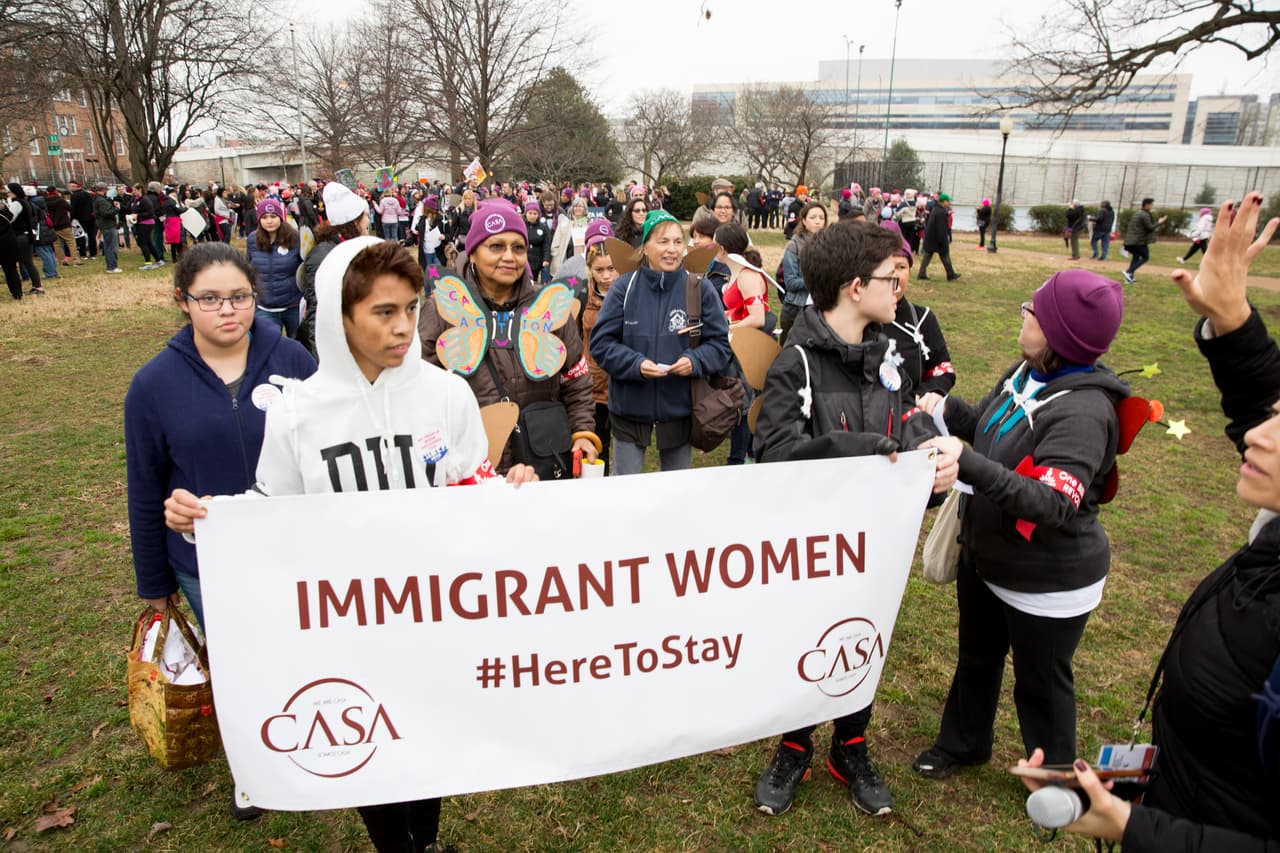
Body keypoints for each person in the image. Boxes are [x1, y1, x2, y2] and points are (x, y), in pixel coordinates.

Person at [166, 237, 533, 852]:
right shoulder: (298, 411)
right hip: (347, 624)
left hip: (432, 610)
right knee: (366, 741)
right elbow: (273, 501)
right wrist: (209, 515)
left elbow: (469, 482)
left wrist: (509, 485)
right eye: (383, 312)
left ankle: (427, 839)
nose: (403, 327)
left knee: (427, 738)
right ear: (340, 316)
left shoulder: (446, 393)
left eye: (411, 308)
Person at [1016, 192, 1280, 851]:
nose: (1256, 436)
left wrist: (1133, 826)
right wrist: (1115, 779)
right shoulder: (1270, 547)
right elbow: (1224, 762)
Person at [751, 220, 958, 819]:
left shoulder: (896, 348)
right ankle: (794, 746)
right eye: (888, 277)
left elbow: (911, 424)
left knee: (863, 638)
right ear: (851, 286)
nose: (900, 285)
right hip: (813, 543)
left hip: (879, 539)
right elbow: (774, 456)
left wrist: (933, 468)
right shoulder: (798, 362)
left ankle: (852, 745)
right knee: (807, 638)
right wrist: (866, 451)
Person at [912, 268, 1128, 779]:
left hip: (1048, 579)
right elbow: (985, 424)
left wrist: (966, 464)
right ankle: (963, 744)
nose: (1023, 314)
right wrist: (945, 409)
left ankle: (1054, 778)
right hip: (988, 556)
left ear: (1059, 332)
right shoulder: (1026, 370)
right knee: (977, 657)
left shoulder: (1085, 412)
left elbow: (1053, 502)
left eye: (1032, 310)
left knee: (1042, 683)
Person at [418, 201, 598, 474]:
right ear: (474, 253)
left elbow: (577, 380)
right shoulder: (442, 310)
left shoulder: (549, 308)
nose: (509, 257)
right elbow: (422, 390)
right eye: (496, 247)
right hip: (470, 468)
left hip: (541, 462)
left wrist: (583, 431)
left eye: (518, 248)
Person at [589, 210, 732, 475]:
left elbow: (721, 346)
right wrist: (636, 364)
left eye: (678, 242)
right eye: (663, 241)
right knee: (626, 489)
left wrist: (695, 360)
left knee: (676, 496)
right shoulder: (624, 288)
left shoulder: (699, 288)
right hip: (628, 408)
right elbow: (601, 344)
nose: (672, 250)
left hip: (680, 409)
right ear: (645, 246)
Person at [714, 221, 772, 466]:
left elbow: (757, 318)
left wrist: (726, 328)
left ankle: (739, 458)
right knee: (741, 400)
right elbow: (739, 309)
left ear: (725, 249)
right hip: (737, 344)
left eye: (715, 244)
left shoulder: (747, 275)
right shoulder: (735, 270)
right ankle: (746, 452)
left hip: (748, 347)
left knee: (744, 403)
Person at [880, 222, 956, 397]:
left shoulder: (922, 319)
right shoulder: (856, 321)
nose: (894, 275)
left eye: (901, 267)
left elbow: (943, 371)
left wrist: (923, 396)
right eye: (887, 267)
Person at [296, 181, 369, 356]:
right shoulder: (323, 255)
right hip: (334, 344)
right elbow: (316, 312)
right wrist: (321, 361)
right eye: (365, 215)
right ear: (354, 222)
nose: (369, 220)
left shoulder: (354, 246)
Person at [579, 238, 620, 472]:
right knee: (598, 447)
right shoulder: (582, 296)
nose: (606, 276)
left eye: (611, 268)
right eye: (599, 270)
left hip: (624, 381)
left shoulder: (629, 292)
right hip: (595, 386)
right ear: (590, 270)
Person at [245, 197, 303, 336]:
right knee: (267, 347)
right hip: (265, 307)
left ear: (280, 217)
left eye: (273, 216)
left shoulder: (295, 238)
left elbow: (305, 270)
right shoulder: (252, 240)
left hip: (293, 305)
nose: (269, 221)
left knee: (298, 347)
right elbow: (248, 268)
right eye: (264, 217)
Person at [779, 201, 828, 346]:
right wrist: (817, 280)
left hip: (823, 308)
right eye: (813, 217)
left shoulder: (830, 244)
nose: (818, 221)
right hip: (796, 307)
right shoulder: (794, 245)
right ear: (804, 221)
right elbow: (791, 282)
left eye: (821, 217)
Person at [1, 182, 42, 296]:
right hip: (26, 234)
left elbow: (9, 218)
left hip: (20, 236)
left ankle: (37, 286)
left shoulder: (17, 203)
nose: (7, 194)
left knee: (26, 263)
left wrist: (4, 209)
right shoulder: (25, 202)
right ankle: (37, 286)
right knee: (28, 262)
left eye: (8, 192)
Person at [1122, 197, 1167, 284]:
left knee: (1136, 257)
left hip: (1131, 240)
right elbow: (1150, 227)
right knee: (1145, 257)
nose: (1152, 206)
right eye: (1151, 204)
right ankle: (1129, 271)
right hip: (1139, 241)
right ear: (1147, 205)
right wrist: (1159, 222)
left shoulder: (1138, 213)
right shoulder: (1145, 215)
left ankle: (1129, 278)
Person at [918, 194, 960, 281]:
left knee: (928, 255)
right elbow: (941, 227)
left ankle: (922, 273)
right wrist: (943, 240)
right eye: (948, 201)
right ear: (944, 201)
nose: (949, 203)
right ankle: (950, 274)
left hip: (931, 237)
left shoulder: (936, 209)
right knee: (944, 255)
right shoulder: (941, 212)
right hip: (937, 238)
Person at [550, 197, 590, 277]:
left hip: (581, 262)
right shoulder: (564, 223)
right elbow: (556, 241)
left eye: (580, 206)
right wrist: (556, 253)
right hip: (564, 260)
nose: (577, 208)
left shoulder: (589, 225)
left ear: (584, 209)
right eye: (575, 206)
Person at [91, 182, 124, 274]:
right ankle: (112, 266)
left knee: (108, 246)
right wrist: (117, 208)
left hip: (105, 225)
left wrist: (112, 203)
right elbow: (106, 213)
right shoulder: (100, 200)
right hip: (108, 225)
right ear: (103, 190)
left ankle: (111, 265)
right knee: (111, 247)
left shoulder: (98, 199)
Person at [523, 202, 553, 284]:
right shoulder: (522, 225)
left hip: (537, 260)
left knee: (533, 281)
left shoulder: (543, 226)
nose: (532, 216)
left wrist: (546, 259)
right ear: (526, 213)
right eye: (530, 213)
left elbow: (546, 244)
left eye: (535, 213)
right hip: (524, 259)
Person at [68, 180, 96, 260]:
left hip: (80, 218)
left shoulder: (74, 196)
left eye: (72, 186)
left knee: (81, 236)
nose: (71, 188)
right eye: (70, 186)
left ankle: (83, 254)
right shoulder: (87, 194)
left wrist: (72, 219)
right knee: (91, 236)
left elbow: (73, 208)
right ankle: (93, 253)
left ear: (77, 187)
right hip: (90, 217)